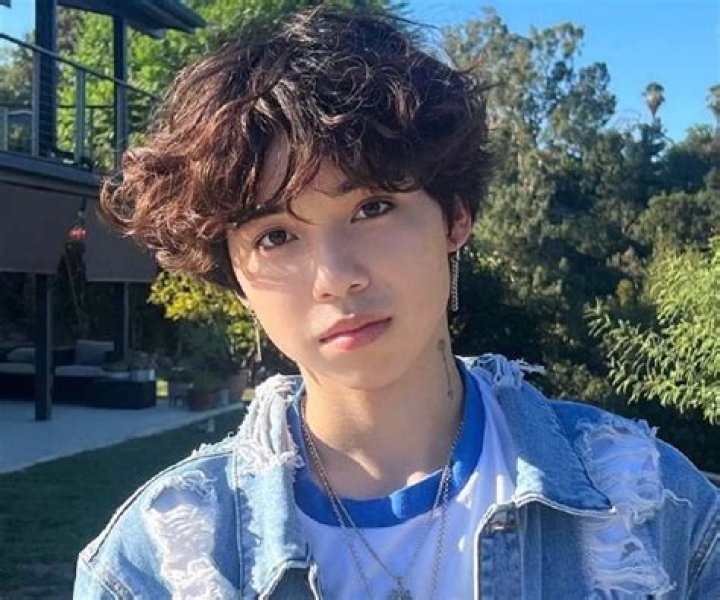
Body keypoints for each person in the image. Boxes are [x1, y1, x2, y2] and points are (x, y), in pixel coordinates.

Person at [73, 7, 718, 599]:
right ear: (235, 275)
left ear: (454, 216)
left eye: (372, 208)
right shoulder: (159, 567)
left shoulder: (652, 510)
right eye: (275, 236)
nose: (336, 278)